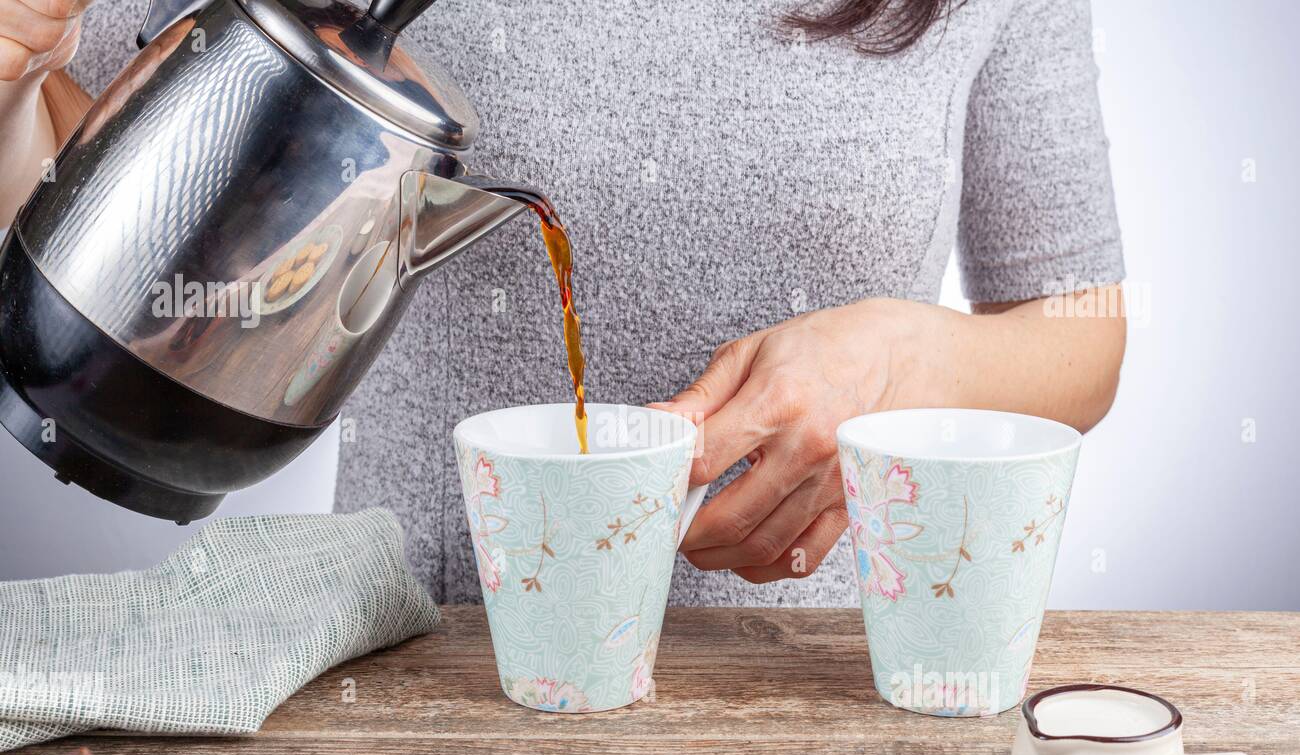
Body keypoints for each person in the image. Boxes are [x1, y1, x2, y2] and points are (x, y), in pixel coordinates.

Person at [0, 0, 1126, 606]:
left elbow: (1082, 332)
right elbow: (84, 168)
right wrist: (7, 86)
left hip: (830, 689)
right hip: (414, 680)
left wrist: (911, 358)